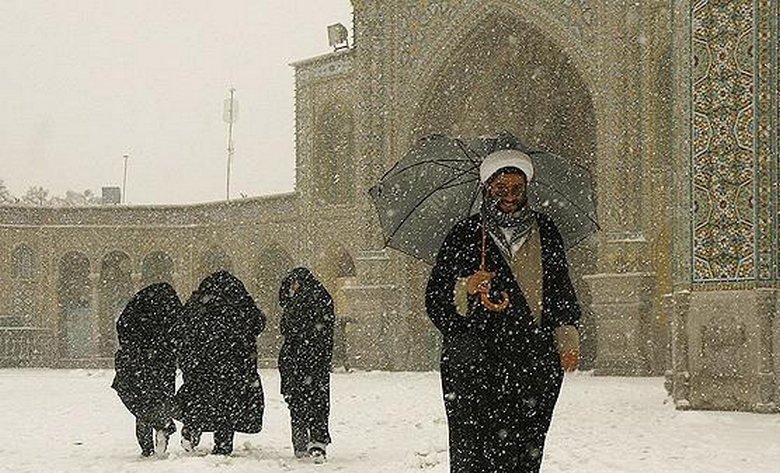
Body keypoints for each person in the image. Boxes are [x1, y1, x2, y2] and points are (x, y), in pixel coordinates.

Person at [425, 148, 581, 473]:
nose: (509, 197)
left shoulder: (545, 231)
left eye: (516, 190)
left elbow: (560, 289)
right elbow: (435, 297)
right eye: (501, 189)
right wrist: (465, 287)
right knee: (475, 452)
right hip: (476, 366)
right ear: (487, 190)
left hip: (530, 359)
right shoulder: (465, 235)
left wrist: (567, 338)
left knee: (524, 450)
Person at [174, 270, 266, 455]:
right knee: (227, 406)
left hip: (202, 364)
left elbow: (182, 328)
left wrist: (188, 358)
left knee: (198, 399)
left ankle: (191, 430)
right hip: (233, 365)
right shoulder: (239, 303)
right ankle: (223, 445)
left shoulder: (198, 302)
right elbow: (258, 323)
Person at [111, 282, 181, 457]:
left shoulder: (138, 305)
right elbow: (181, 330)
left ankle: (146, 446)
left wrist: (134, 347)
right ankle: (162, 427)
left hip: (139, 362)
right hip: (163, 362)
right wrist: (169, 348)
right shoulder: (171, 306)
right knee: (161, 399)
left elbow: (122, 325)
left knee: (142, 400)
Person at [277, 267, 335, 463]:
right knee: (317, 401)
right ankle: (318, 441)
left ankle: (301, 442)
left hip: (299, 359)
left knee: (298, 401)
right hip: (316, 360)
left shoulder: (300, 301)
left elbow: (287, 327)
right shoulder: (322, 296)